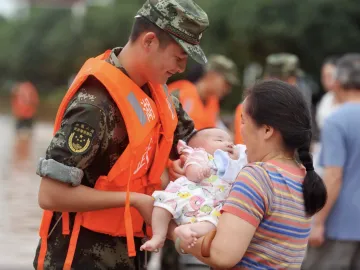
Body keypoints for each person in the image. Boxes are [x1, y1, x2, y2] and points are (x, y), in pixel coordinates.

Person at [33, 0, 209, 269]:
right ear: (149, 41)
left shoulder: (157, 91)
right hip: (79, 257)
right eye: (178, 57)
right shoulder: (94, 105)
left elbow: (190, 138)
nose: (182, 68)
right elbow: (50, 194)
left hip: (131, 253)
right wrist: (135, 201)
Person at [169, 79, 327, 269]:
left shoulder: (257, 177)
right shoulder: (302, 176)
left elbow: (222, 255)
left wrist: (172, 232)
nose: (239, 131)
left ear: (267, 130)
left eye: (243, 121)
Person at [140, 128, 247, 252]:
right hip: (189, 193)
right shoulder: (200, 155)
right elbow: (191, 173)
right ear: (198, 146)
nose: (228, 143)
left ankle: (190, 230)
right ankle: (158, 236)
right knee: (163, 204)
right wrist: (199, 171)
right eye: (219, 139)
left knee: (214, 223)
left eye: (230, 141)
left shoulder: (234, 163)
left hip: (211, 205)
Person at [302, 54, 360, 269]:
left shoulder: (336, 120)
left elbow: (334, 176)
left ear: (338, 82)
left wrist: (318, 221)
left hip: (340, 224)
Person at [169, 54, 239, 130]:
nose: (228, 89)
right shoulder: (179, 93)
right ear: (212, 75)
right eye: (226, 83)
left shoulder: (213, 104)